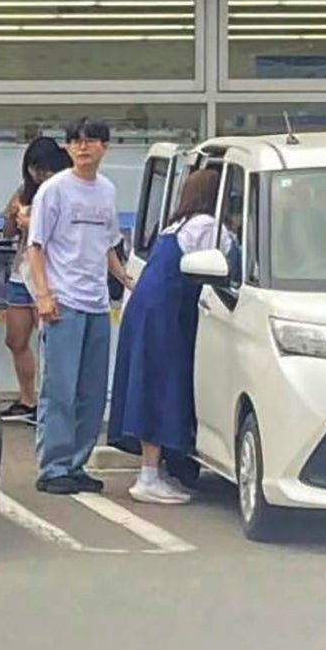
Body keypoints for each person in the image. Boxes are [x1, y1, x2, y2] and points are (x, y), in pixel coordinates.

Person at [106, 166, 229, 504]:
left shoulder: (175, 225)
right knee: (161, 385)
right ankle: (148, 475)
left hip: (146, 309)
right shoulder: (208, 226)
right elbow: (232, 261)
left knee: (148, 381)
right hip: (166, 313)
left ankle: (154, 470)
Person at [24, 117, 132, 497]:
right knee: (60, 388)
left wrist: (125, 279)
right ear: (68, 148)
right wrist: (44, 295)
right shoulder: (54, 191)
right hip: (63, 302)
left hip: (97, 303)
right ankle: (53, 466)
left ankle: (77, 463)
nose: (84, 147)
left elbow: (108, 245)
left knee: (91, 389)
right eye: (76, 141)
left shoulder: (106, 190)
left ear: (105, 147)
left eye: (92, 141)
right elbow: (36, 246)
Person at [0, 138, 64, 424]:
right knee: (16, 339)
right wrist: (16, 215)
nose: (37, 175)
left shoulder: (64, 190)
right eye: (32, 169)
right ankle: (27, 399)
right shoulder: (24, 191)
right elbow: (7, 229)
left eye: (41, 169)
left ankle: (52, 403)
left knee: (51, 343)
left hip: (51, 274)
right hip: (21, 271)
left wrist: (34, 223)